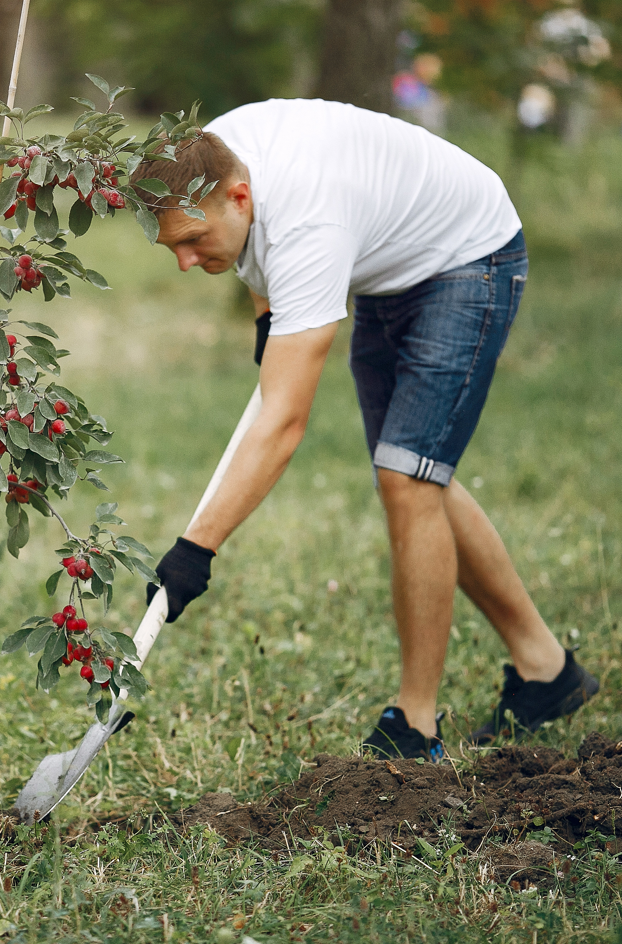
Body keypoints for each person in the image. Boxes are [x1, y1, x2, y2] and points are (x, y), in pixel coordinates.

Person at [133, 98, 598, 760]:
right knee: (413, 474)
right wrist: (270, 317)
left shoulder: (306, 225)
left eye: (192, 241)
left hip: (468, 257)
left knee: (408, 476)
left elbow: (284, 422)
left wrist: (195, 549)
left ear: (240, 197)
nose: (183, 262)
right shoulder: (213, 159)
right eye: (171, 244)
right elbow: (258, 258)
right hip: (387, 260)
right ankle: (546, 668)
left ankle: (415, 725)